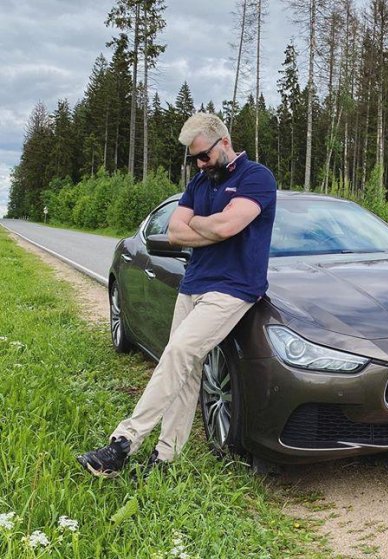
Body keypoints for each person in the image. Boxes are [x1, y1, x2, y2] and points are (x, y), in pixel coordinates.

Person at [77, 113, 277, 478]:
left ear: (224, 142)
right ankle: (165, 457)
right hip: (193, 283)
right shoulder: (199, 183)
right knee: (186, 369)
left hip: (233, 288)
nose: (199, 164)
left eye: (204, 155)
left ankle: (123, 443)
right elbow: (174, 232)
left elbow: (227, 226)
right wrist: (209, 227)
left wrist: (202, 225)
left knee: (178, 353)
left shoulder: (256, 177)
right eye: (193, 158)